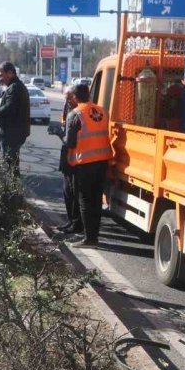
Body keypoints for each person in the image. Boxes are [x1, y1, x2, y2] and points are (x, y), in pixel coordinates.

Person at [62, 83, 111, 247]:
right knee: (96, 201)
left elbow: (69, 142)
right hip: (103, 160)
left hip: (85, 163)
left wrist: (59, 134)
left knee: (84, 201)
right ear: (89, 95)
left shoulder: (75, 114)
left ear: (75, 98)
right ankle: (93, 236)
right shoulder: (102, 111)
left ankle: (89, 239)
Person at [0, 61, 30, 177]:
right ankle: (14, 190)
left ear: (10, 73)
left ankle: (12, 191)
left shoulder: (15, 88)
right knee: (12, 164)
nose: (0, 79)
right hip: (15, 132)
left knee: (9, 164)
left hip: (12, 133)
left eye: (1, 75)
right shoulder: (16, 87)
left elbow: (9, 108)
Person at [57, 85, 82, 235]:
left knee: (73, 191)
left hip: (77, 155)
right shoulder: (68, 108)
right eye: (65, 99)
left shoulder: (80, 112)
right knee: (67, 190)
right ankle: (71, 220)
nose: (67, 102)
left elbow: (72, 137)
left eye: (69, 99)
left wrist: (62, 135)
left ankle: (76, 223)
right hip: (67, 152)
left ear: (75, 97)